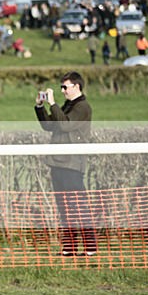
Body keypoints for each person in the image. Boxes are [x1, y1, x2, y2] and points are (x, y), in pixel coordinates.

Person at [35, 71, 97, 257]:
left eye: (65, 87)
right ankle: (69, 247)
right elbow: (50, 126)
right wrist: (40, 107)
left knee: (78, 207)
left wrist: (53, 104)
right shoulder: (68, 106)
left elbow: (64, 125)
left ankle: (90, 247)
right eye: (61, 87)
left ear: (76, 87)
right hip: (58, 164)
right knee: (64, 208)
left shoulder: (82, 107)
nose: (62, 91)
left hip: (72, 165)